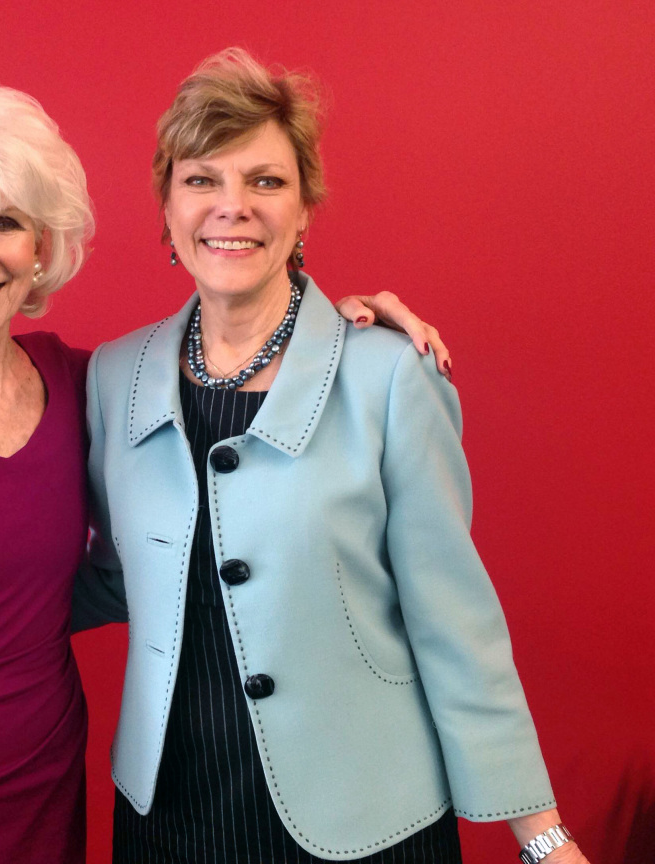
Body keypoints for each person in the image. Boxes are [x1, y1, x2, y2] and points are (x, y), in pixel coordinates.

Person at [0, 76, 441, 863]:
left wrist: (339, 330)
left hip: (34, 782)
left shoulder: (88, 384)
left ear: (41, 247)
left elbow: (226, 374)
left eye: (4, 222)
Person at [76, 49, 590, 864]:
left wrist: (541, 835)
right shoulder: (112, 375)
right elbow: (106, 575)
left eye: (267, 182)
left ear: (307, 208)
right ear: (167, 205)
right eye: (202, 180)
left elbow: (453, 619)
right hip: (166, 819)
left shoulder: (388, 375)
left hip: (364, 820)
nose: (232, 207)